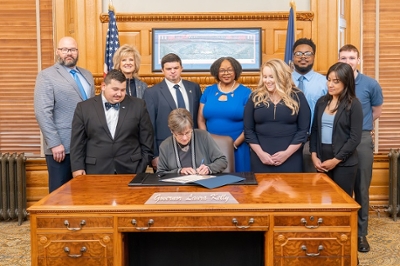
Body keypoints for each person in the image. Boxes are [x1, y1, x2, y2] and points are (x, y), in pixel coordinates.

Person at [34, 36, 95, 193]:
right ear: (57, 52)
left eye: (73, 50)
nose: (69, 53)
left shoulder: (87, 75)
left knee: (84, 192)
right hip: (61, 148)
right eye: (65, 50)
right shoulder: (46, 75)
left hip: (87, 146)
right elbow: (42, 112)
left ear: (77, 52)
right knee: (60, 194)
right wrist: (54, 143)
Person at [339, 44, 383, 253]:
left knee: (362, 189)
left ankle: (360, 235)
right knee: (339, 189)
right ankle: (341, 231)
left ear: (358, 61)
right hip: (339, 139)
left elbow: (376, 112)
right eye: (343, 58)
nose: (347, 61)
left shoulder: (370, 84)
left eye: (351, 58)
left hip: (363, 139)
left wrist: (359, 129)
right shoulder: (334, 83)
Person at [70, 69, 153, 176]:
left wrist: (141, 168)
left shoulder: (139, 105)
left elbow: (147, 141)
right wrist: (77, 167)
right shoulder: (84, 108)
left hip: (131, 170)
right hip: (95, 170)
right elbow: (77, 143)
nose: (119, 94)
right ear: (103, 86)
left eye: (123, 90)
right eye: (115, 89)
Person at [244, 59, 310, 173]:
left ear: (281, 76)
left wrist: (286, 154)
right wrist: (261, 154)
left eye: (271, 77)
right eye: (265, 76)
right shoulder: (255, 97)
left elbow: (303, 131)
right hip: (260, 159)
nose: (267, 81)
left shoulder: (298, 96)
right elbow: (248, 131)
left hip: (291, 158)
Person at [310, 62, 363, 197]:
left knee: (341, 202)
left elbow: (354, 138)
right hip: (322, 161)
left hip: (344, 164)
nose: (330, 84)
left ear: (346, 82)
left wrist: (335, 160)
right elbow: (315, 130)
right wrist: (314, 155)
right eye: (328, 80)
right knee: (323, 201)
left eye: (336, 81)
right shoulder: (321, 102)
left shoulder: (354, 104)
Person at [143, 53, 202, 171]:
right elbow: (150, 127)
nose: (172, 71)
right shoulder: (152, 92)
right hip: (165, 149)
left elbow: (197, 118)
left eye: (176, 68)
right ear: (162, 70)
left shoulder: (194, 87)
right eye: (168, 69)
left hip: (193, 147)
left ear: (181, 68)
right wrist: (154, 155)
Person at [198, 57, 251, 172]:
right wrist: (208, 143)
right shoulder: (208, 91)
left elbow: (249, 124)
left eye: (230, 70)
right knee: (213, 183)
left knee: (240, 186)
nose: (226, 73)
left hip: (238, 147)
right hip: (211, 149)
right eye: (222, 70)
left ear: (235, 71)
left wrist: (234, 145)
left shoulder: (246, 92)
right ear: (217, 72)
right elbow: (201, 120)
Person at [291, 38, 328, 172]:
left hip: (313, 139)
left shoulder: (325, 82)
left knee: (313, 183)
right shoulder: (282, 80)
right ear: (293, 56)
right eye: (298, 54)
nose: (303, 57)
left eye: (308, 53)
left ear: (313, 56)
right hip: (288, 138)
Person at [157, 108, 227, 175]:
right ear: (172, 131)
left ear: (191, 128)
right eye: (180, 134)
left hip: (204, 184)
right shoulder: (165, 146)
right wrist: (179, 171)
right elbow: (160, 173)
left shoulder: (204, 136)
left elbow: (222, 161)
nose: (184, 138)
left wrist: (209, 168)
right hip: (177, 186)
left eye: (187, 132)